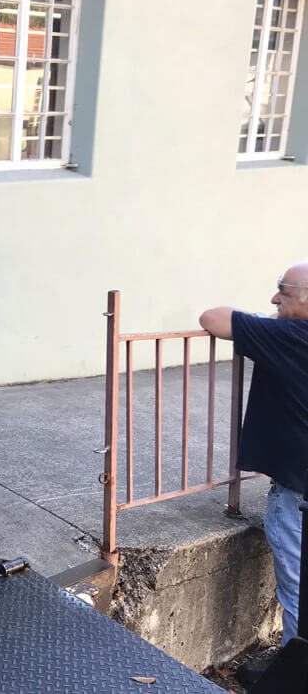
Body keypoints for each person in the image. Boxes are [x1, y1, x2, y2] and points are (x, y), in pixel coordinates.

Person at [199, 261, 308, 679]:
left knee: (300, 594)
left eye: (283, 291)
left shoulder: (290, 336)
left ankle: (295, 681)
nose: (274, 298)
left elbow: (211, 318)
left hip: (298, 495)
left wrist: (264, 322)